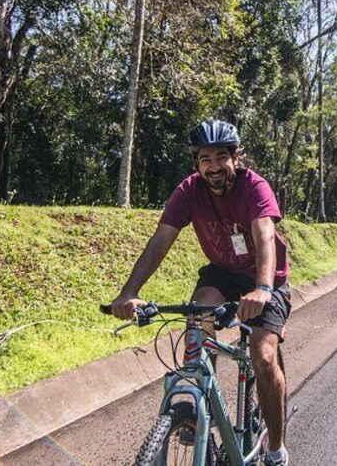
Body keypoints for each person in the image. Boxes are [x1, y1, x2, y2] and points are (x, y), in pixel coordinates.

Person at [110, 119, 291, 466]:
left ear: (235, 158)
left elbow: (264, 236)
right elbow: (160, 240)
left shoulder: (255, 187)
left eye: (221, 157)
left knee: (263, 356)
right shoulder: (188, 191)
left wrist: (263, 288)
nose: (214, 167)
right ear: (196, 163)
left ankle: (275, 450)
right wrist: (129, 292)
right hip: (221, 273)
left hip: (264, 278)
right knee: (198, 323)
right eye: (205, 159)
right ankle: (199, 406)